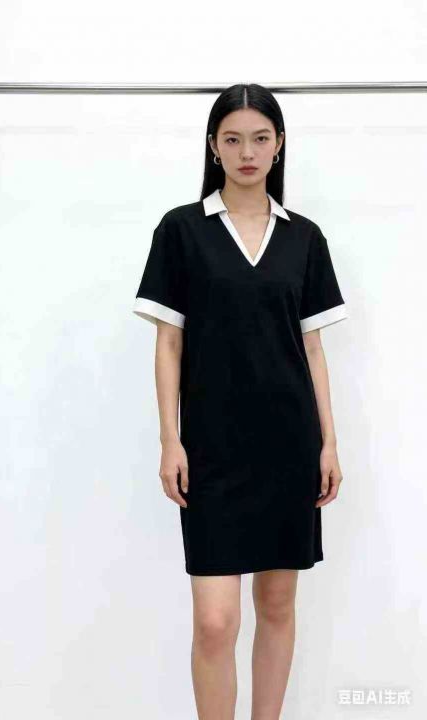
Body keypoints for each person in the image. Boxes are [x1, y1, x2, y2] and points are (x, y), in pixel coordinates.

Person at [132, 83, 348, 720]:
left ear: (279, 146)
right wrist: (170, 439)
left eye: (260, 138)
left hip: (289, 444)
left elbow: (313, 350)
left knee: (277, 605)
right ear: (213, 147)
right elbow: (169, 342)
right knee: (216, 621)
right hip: (211, 449)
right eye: (233, 139)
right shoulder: (181, 230)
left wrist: (329, 442)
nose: (247, 152)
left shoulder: (304, 238)